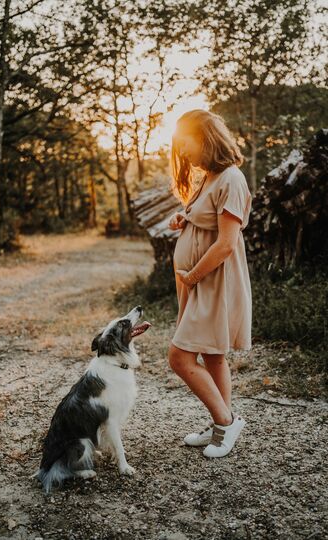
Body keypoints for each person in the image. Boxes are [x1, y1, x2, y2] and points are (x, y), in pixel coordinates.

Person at [168, 109, 252, 458]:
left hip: (213, 281)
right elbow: (205, 221)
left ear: (206, 138)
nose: (185, 154)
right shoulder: (209, 178)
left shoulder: (232, 179)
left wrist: (194, 276)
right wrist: (182, 218)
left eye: (187, 145)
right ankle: (220, 426)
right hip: (197, 282)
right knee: (213, 355)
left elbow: (226, 243)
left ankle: (227, 420)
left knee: (179, 357)